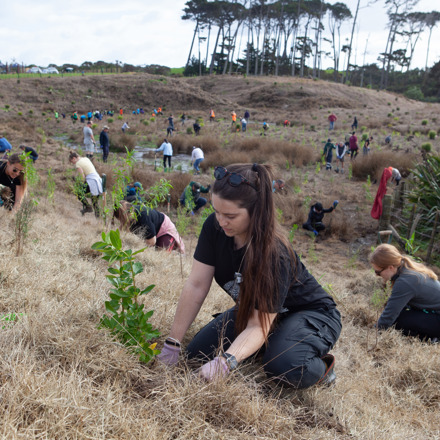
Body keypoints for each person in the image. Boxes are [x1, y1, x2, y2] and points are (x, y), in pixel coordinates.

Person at [158, 163, 341, 388]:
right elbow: (196, 285)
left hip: (310, 314)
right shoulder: (214, 228)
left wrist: (225, 363)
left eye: (230, 215)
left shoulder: (274, 253)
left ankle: (321, 369)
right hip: (258, 310)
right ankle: (269, 343)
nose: (221, 221)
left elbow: (257, 325)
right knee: (197, 355)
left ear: (256, 211)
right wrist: (172, 343)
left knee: (284, 367)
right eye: (216, 211)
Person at [370, 244, 440, 341]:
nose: (377, 275)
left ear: (390, 267)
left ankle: (432, 338)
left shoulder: (405, 281)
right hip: (434, 313)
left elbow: (390, 315)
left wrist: (373, 332)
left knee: (398, 321)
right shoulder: (405, 269)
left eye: (378, 272)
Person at [114, 201, 185, 254]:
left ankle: (175, 254)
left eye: (123, 220)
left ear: (129, 213)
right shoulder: (128, 217)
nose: (122, 222)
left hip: (164, 229)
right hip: (153, 231)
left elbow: (151, 241)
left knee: (161, 255)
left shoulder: (143, 216)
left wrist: (136, 246)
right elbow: (122, 231)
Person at [68, 151, 102, 217]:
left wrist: (79, 183)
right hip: (98, 180)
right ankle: (98, 220)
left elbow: (82, 177)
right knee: (95, 202)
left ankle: (88, 207)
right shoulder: (86, 158)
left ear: (74, 158)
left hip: (92, 181)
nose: (73, 163)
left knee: (78, 192)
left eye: (72, 162)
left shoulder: (78, 164)